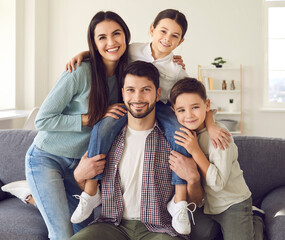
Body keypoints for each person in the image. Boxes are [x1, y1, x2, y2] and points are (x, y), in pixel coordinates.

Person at [69, 9, 230, 235]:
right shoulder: (134, 49)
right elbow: (110, 51)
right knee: (102, 126)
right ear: (152, 30)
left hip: (162, 108)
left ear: (181, 41)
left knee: (180, 133)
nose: (167, 39)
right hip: (127, 108)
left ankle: (179, 203)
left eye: (175, 36)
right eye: (163, 31)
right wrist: (84, 54)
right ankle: (91, 193)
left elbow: (195, 99)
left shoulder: (177, 69)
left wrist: (211, 124)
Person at [23, 11, 131, 240]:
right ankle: (37, 195)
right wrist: (91, 117)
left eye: (116, 34)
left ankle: (38, 199)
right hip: (46, 158)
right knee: (61, 233)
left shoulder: (127, 75)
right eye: (101, 37)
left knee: (83, 233)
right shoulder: (79, 72)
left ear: (126, 36)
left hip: (79, 167)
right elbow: (42, 119)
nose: (111, 42)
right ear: (93, 42)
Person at [71, 60, 204, 240]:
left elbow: (197, 202)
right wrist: (79, 177)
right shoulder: (107, 137)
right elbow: (91, 186)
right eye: (131, 90)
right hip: (111, 225)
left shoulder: (177, 139)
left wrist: (193, 179)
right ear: (123, 93)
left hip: (160, 229)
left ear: (158, 94)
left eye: (146, 90)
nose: (138, 98)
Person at [169, 78, 265, 240]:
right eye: (181, 110)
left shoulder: (220, 135)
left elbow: (217, 184)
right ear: (174, 111)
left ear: (207, 105)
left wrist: (195, 150)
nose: (189, 115)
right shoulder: (185, 132)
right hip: (206, 207)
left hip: (232, 203)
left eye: (195, 107)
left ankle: (255, 217)